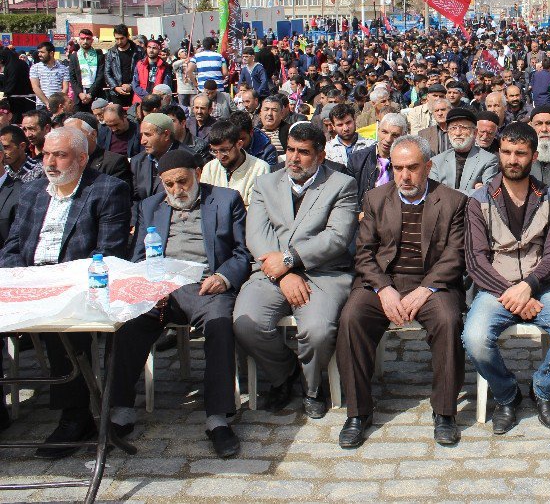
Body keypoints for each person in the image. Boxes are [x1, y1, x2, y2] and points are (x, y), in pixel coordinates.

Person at [111, 149, 251, 458]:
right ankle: (121, 411)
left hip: (206, 283)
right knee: (130, 322)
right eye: (169, 184)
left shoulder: (226, 200)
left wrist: (224, 278)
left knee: (219, 325)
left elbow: (243, 252)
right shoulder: (149, 206)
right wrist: (145, 286)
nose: (177, 191)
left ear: (198, 174)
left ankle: (217, 419)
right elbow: (138, 257)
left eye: (183, 182)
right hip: (161, 286)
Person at [0, 126, 130, 458]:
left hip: (76, 285)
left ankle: (76, 416)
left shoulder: (107, 190)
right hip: (29, 282)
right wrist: (22, 279)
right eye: (45, 154)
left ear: (83, 158)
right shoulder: (31, 192)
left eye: (60, 155)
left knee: (63, 328)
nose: (50, 162)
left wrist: (57, 284)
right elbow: (13, 246)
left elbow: (108, 252)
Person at [336, 135, 467, 448]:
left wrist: (426, 289)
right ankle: (358, 412)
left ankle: (445, 412)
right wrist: (384, 289)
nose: (405, 176)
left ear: (428, 167)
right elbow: (364, 253)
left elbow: (455, 254)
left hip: (432, 283)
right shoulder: (376, 198)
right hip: (384, 281)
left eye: (412, 168)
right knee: (352, 318)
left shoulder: (453, 201)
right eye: (397, 168)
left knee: (448, 321)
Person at [463, 123, 550, 434]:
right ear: (498, 153)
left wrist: (528, 288)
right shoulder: (479, 200)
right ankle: (506, 394)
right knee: (474, 339)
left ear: (533, 156)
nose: (512, 159)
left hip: (543, 287)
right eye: (506, 152)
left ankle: (543, 389)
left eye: (520, 153)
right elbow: (475, 260)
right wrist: (513, 294)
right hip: (494, 288)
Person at [233, 123, 359, 419]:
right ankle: (285, 374)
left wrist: (289, 260)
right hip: (271, 272)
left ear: (320, 154)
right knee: (245, 324)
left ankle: (312, 389)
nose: (294, 158)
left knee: (317, 330)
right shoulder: (266, 184)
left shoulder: (341, 185)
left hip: (322, 273)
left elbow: (337, 238)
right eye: (290, 150)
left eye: (303, 152)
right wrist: (283, 272)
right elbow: (256, 236)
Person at [201, 119, 271, 207]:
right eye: (214, 151)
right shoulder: (210, 168)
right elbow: (205, 205)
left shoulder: (260, 169)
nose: (219, 156)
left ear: (239, 144)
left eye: (224, 150)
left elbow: (256, 209)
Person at [429, 107, 498, 195]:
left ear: (475, 132)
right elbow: (433, 194)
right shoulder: (437, 161)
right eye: (453, 128)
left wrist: (446, 192)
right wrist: (473, 192)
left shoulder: (489, 160)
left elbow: (487, 194)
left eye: (463, 128)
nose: (457, 133)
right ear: (448, 132)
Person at [131, 112, 190, 213]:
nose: (142, 141)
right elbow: (136, 199)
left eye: (148, 135)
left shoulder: (187, 159)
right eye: (142, 135)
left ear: (166, 134)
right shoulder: (138, 161)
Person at [348, 113, 408, 206]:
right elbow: (349, 197)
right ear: (378, 130)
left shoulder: (408, 163)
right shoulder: (356, 159)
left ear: (403, 136)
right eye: (384, 132)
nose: (388, 139)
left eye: (395, 135)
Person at [63, 113, 132, 189]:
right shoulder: (63, 161)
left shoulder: (114, 163)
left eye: (75, 135)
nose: (69, 140)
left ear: (93, 134)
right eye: (66, 135)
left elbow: (118, 196)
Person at [67, 28, 104, 108]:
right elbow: (72, 77)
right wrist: (80, 93)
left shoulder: (99, 55)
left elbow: (100, 76)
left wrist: (90, 94)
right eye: (82, 39)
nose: (85, 41)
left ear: (92, 40)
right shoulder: (74, 56)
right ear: (79, 40)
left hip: (95, 93)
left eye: (88, 39)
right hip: (79, 95)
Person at [29, 41, 70, 108]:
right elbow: (35, 87)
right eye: (39, 52)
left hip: (58, 106)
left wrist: (56, 103)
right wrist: (47, 102)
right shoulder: (35, 68)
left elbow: (65, 87)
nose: (39, 54)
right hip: (42, 105)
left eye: (42, 52)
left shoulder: (63, 69)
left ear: (51, 53)